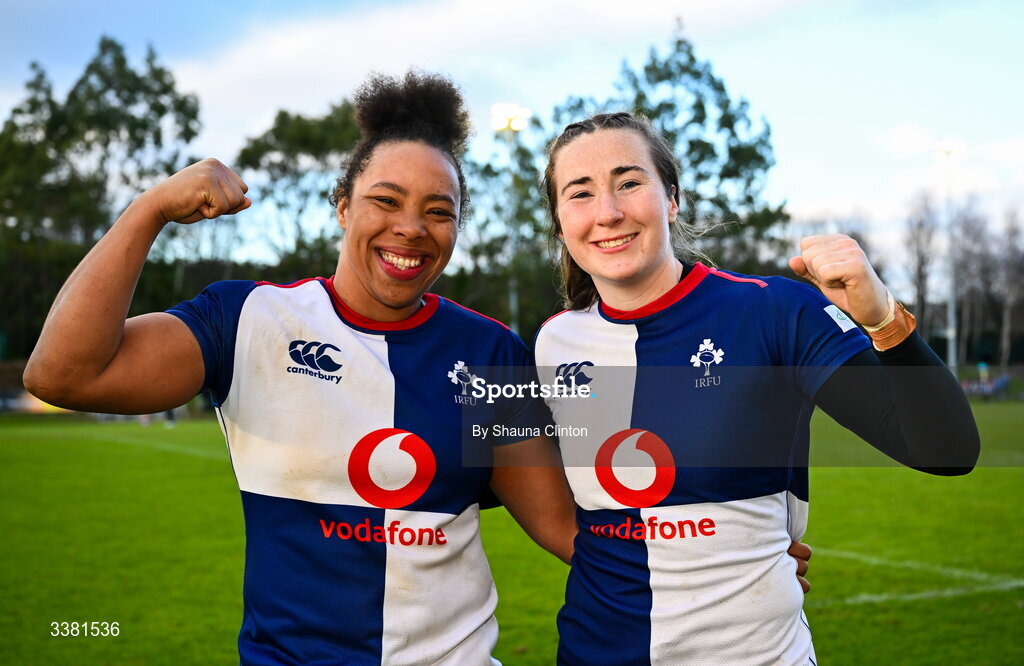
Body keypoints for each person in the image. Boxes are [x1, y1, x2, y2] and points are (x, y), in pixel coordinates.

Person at [23, 72, 578, 665]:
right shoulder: (248, 320)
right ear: (342, 207)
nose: (411, 228)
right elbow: (61, 374)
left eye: (438, 212)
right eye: (385, 201)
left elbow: (567, 527)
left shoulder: (491, 353)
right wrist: (150, 209)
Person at [534, 111, 980, 665]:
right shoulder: (553, 344)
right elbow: (541, 495)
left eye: (629, 182)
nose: (608, 211)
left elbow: (946, 451)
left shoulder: (774, 312)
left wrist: (882, 315)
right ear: (558, 222)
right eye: (580, 193)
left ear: (671, 199)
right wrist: (691, 548)